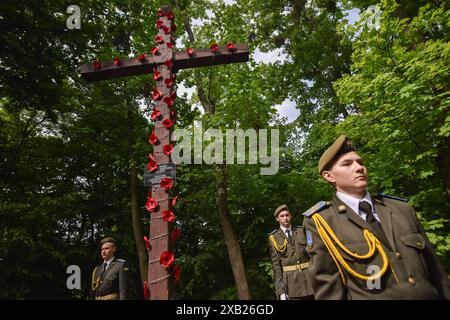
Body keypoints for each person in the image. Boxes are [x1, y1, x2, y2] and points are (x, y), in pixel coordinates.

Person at [302, 135, 450, 299]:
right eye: (347, 164)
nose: (359, 168)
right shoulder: (322, 222)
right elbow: (329, 290)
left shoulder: (401, 209)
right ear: (329, 176)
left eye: (360, 162)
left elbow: (437, 271)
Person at [268, 204, 314, 300]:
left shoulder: (302, 231)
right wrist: (281, 291)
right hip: (291, 284)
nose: (285, 218)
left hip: (309, 280)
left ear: (291, 216)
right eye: (282, 216)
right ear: (277, 219)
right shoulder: (274, 238)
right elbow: (276, 267)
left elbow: (313, 255)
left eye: (287, 215)